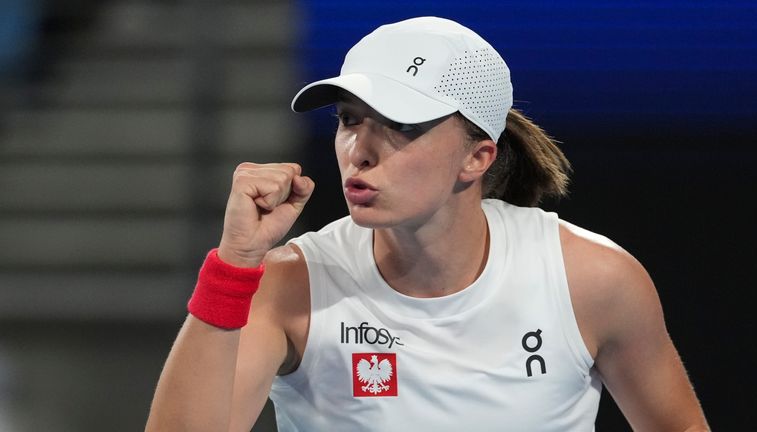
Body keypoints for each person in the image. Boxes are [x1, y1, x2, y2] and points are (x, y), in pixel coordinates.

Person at [146, 17, 709, 432]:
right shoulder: (288, 285)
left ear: (477, 157)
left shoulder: (593, 279)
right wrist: (235, 266)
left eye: (399, 126)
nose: (358, 151)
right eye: (348, 121)